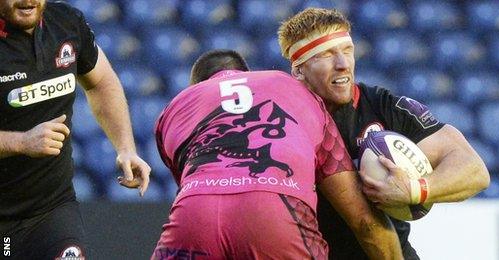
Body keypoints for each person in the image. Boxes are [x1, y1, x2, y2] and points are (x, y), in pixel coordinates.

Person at [278, 8, 491, 260]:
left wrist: (416, 189)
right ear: (299, 70)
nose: (343, 64)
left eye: (347, 50)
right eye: (326, 54)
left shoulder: (384, 106)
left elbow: (474, 170)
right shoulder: (281, 121)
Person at [151, 49, 403, 260]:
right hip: (275, 213)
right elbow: (363, 219)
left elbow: (188, 179)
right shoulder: (293, 88)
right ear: (248, 75)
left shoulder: (175, 106)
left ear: (198, 86)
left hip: (194, 216)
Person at [0, 1, 151, 259]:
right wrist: (21, 142)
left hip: (53, 210)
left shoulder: (67, 23)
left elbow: (101, 82)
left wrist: (126, 148)